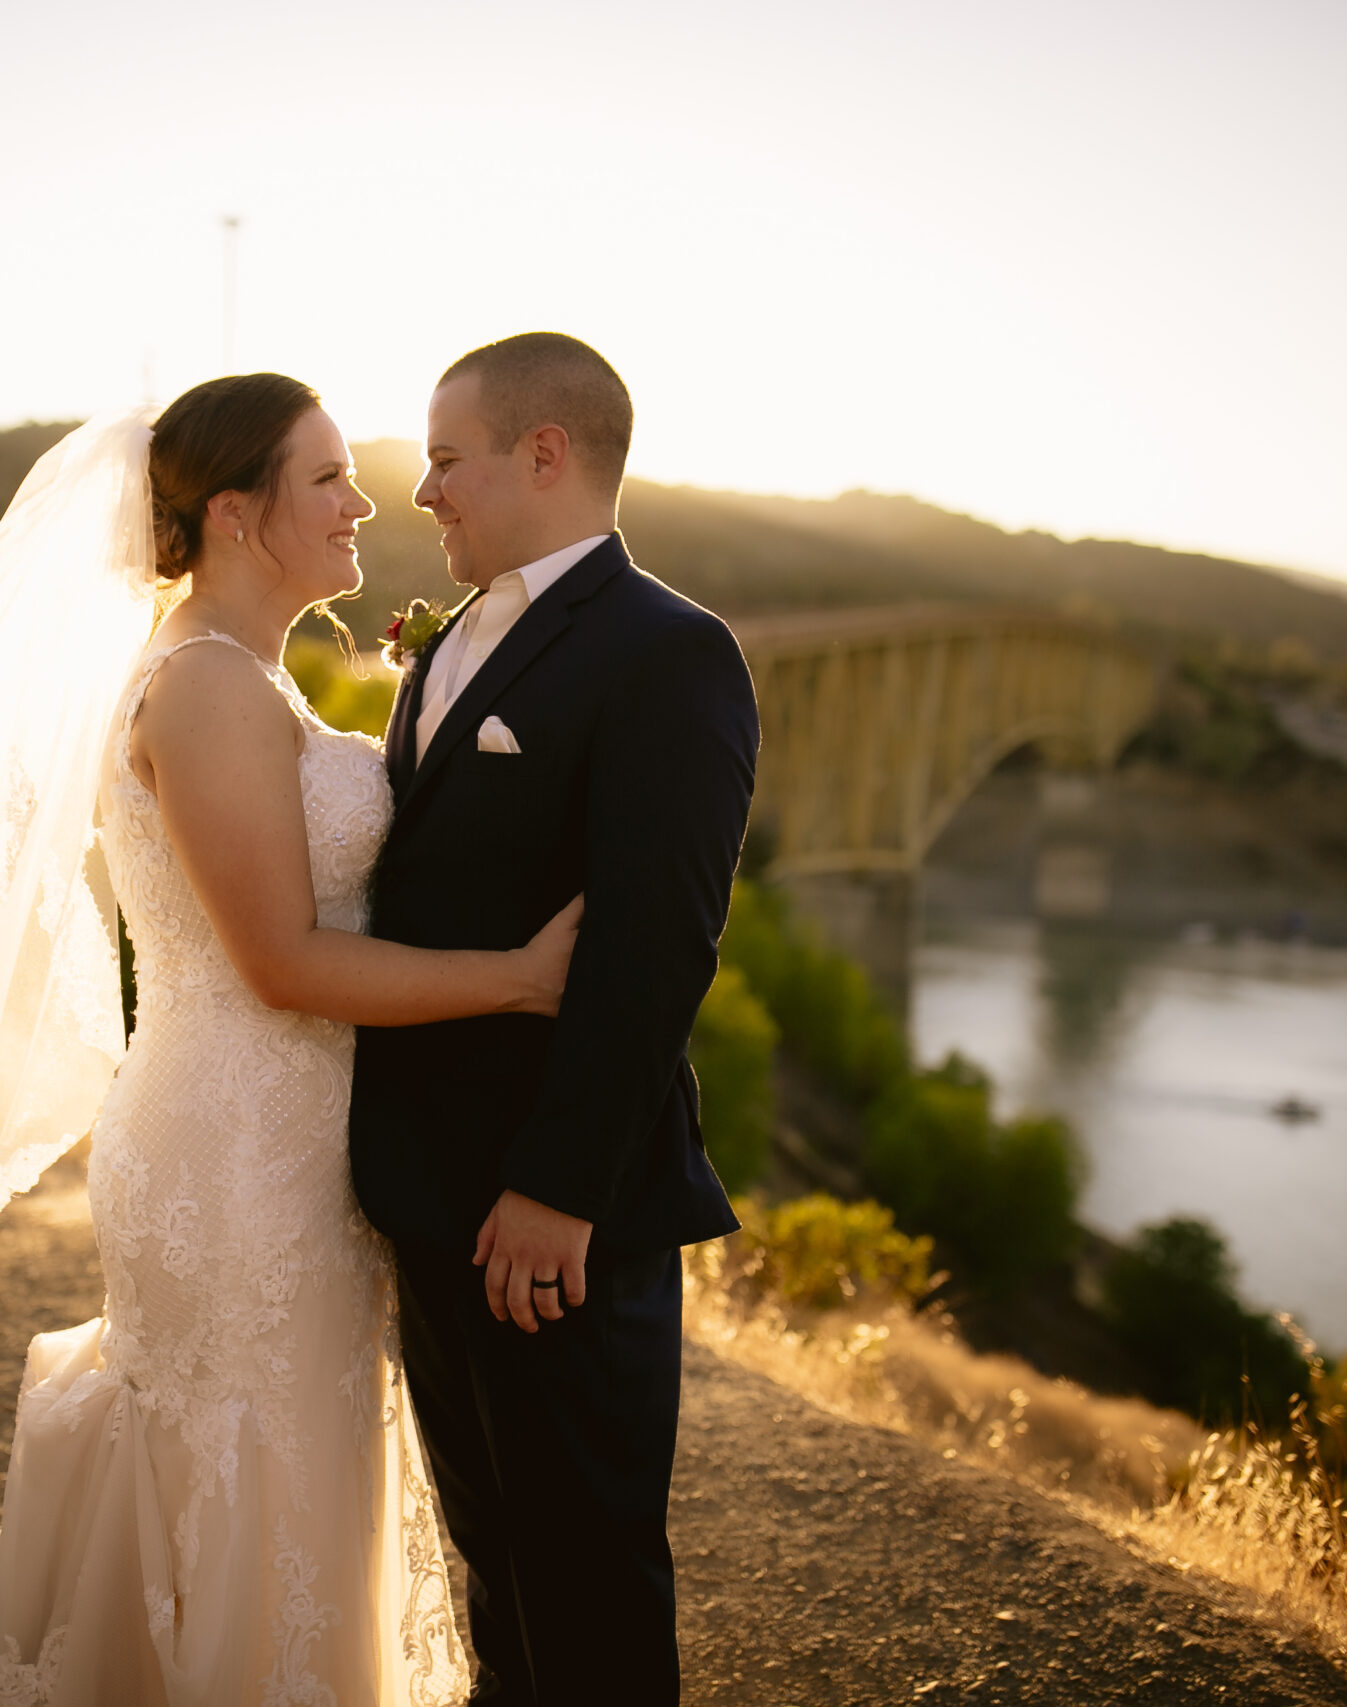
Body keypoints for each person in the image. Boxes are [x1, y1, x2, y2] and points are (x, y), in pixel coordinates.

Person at [0, 374, 576, 1703]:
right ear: (232, 512)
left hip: (286, 1138)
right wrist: (517, 981)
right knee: (252, 1461)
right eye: (326, 478)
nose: (361, 501)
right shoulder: (205, 689)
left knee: (291, 1460)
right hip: (233, 1147)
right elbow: (277, 962)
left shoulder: (246, 676)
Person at [350, 333, 762, 1705]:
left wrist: (557, 1186)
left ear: (546, 453)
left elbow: (656, 949)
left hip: (556, 1219)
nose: (422, 493)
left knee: (584, 1583)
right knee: (488, 1563)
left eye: (445, 459)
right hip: (426, 1196)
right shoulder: (449, 642)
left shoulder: (671, 652)